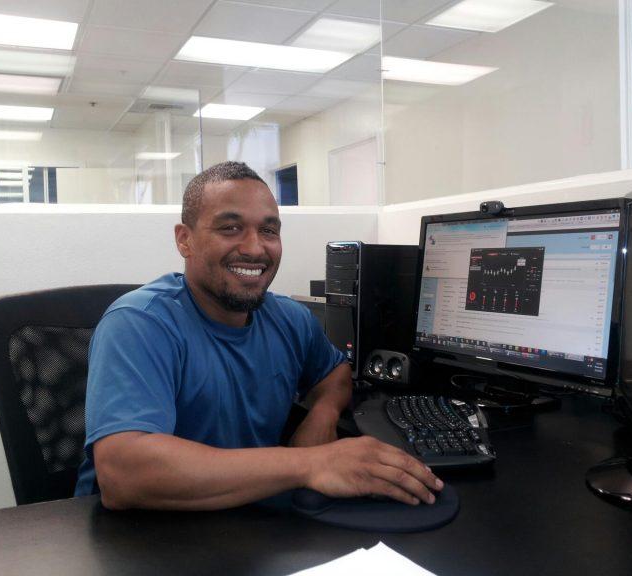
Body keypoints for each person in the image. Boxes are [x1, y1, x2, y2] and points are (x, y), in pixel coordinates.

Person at [75, 161, 443, 510]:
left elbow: (335, 374)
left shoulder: (289, 318)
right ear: (184, 240)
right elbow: (123, 474)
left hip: (246, 521)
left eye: (268, 230)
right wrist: (311, 464)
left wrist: (324, 411)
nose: (254, 248)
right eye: (230, 228)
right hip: (138, 537)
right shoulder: (140, 323)